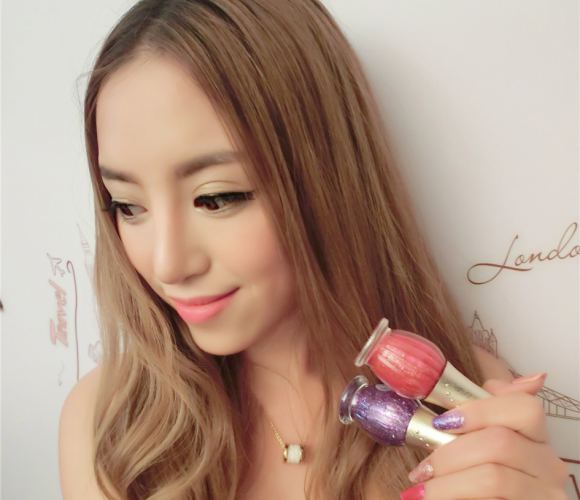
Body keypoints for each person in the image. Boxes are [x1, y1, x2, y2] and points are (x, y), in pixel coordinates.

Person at [58, 1, 569, 499]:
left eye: (217, 198)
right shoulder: (111, 428)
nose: (167, 264)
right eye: (127, 205)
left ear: (326, 180)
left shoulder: (460, 401)